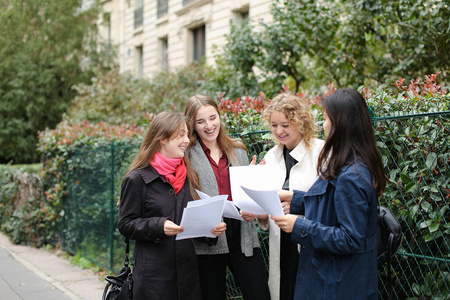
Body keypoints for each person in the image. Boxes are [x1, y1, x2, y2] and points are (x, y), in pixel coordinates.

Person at [272, 88, 386, 299]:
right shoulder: (348, 162)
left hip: (339, 283)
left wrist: (300, 227)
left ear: (340, 123)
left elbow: (351, 238)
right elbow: (332, 206)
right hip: (332, 277)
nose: (323, 124)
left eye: (325, 118)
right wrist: (294, 199)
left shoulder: (353, 174)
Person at [118, 111, 225, 299]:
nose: (187, 140)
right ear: (162, 139)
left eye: (186, 134)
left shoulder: (189, 176)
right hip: (154, 278)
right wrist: (159, 226)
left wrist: (210, 229)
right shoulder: (137, 178)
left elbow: (189, 223)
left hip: (188, 276)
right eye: (180, 135)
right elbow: (126, 224)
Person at [183, 94, 271, 300]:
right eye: (200, 121)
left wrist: (255, 182)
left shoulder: (238, 150)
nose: (209, 125)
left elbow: (248, 192)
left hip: (243, 232)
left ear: (219, 116)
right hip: (208, 238)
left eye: (213, 117)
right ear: (192, 125)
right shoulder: (186, 155)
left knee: (259, 294)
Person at [241, 93, 324, 300]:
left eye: (285, 125)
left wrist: (295, 205)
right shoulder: (270, 157)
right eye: (274, 125)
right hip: (281, 244)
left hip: (311, 242)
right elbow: (270, 204)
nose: (279, 131)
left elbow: (328, 201)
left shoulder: (321, 152)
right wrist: (257, 212)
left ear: (301, 122)